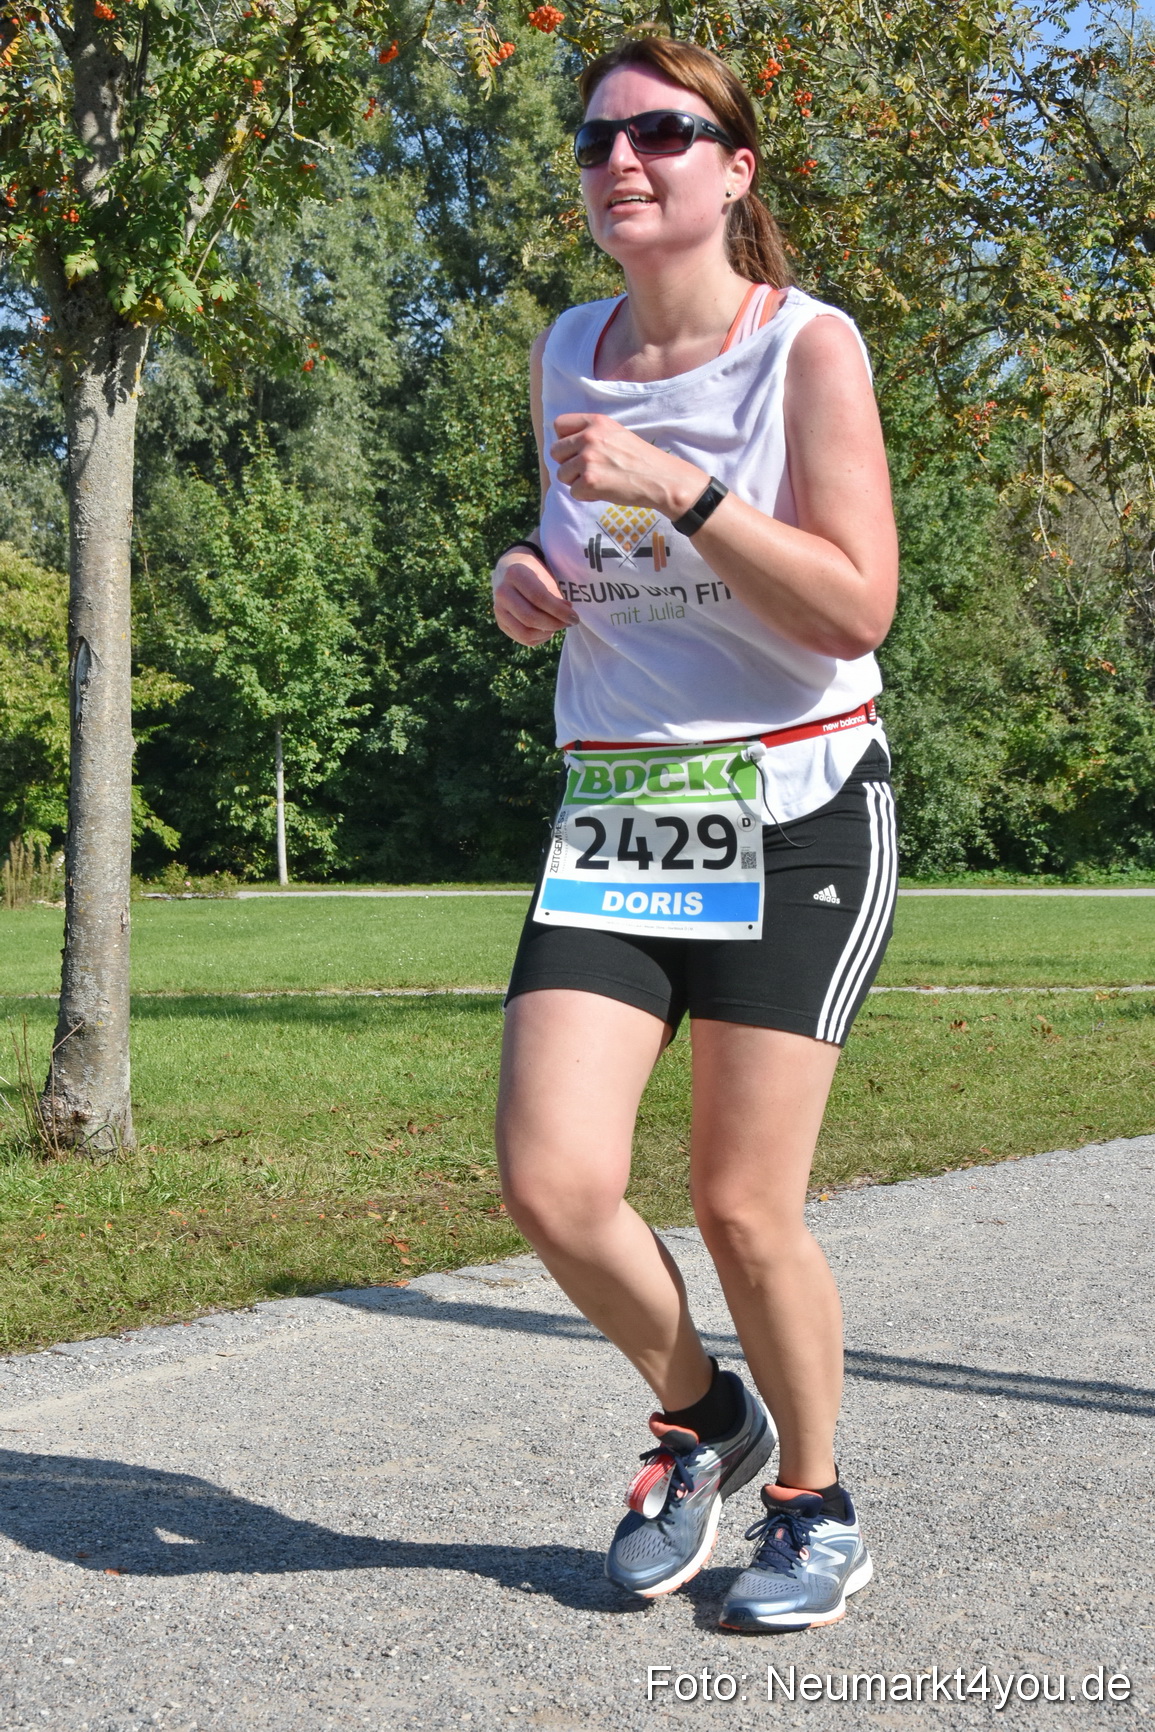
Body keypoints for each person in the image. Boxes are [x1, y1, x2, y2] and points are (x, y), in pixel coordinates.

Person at [490, 35, 898, 1633]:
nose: (621, 161)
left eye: (660, 133)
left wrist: (688, 488)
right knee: (553, 1182)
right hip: (624, 806)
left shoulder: (806, 347)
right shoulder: (565, 350)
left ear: (733, 169)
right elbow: (581, 555)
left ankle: (815, 1504)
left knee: (740, 1203)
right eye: (595, 138)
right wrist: (527, 583)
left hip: (797, 807)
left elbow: (856, 607)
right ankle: (706, 1420)